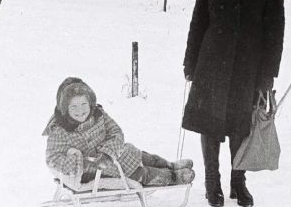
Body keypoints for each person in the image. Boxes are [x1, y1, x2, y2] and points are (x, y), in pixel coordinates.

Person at [182, 0, 285, 207]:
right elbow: (198, 24)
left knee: (243, 126)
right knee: (210, 125)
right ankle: (211, 183)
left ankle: (238, 183)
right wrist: (190, 62)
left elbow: (275, 35)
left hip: (248, 70)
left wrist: (267, 76)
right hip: (211, 66)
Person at [44, 77, 195, 188]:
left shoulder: (98, 114)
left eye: (84, 104)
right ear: (65, 108)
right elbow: (52, 159)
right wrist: (81, 162)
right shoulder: (59, 130)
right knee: (142, 174)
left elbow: (116, 132)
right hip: (98, 170)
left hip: (116, 154)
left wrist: (107, 153)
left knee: (144, 156)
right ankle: (174, 177)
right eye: (74, 106)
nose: (80, 110)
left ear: (90, 103)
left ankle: (170, 165)